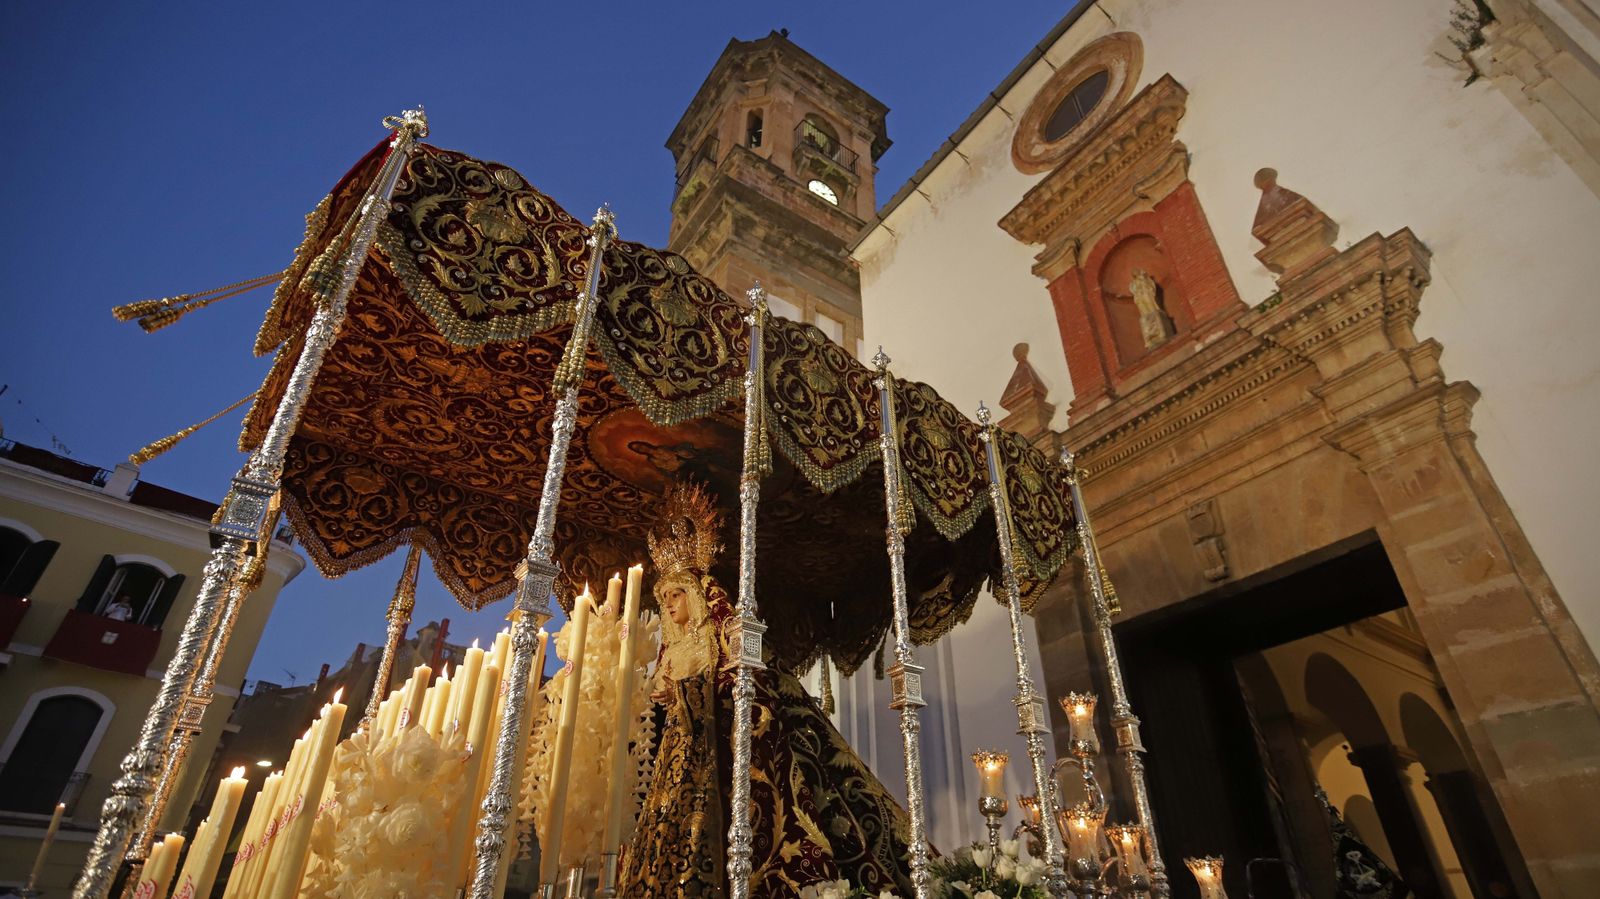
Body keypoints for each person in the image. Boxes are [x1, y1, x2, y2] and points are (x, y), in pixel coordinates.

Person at [619, 482, 916, 898]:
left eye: (676, 594)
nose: (669, 604)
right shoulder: (672, 652)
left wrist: (694, 692)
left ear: (697, 596)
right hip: (679, 759)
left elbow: (746, 688)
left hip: (721, 752)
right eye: (664, 597)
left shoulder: (721, 636)